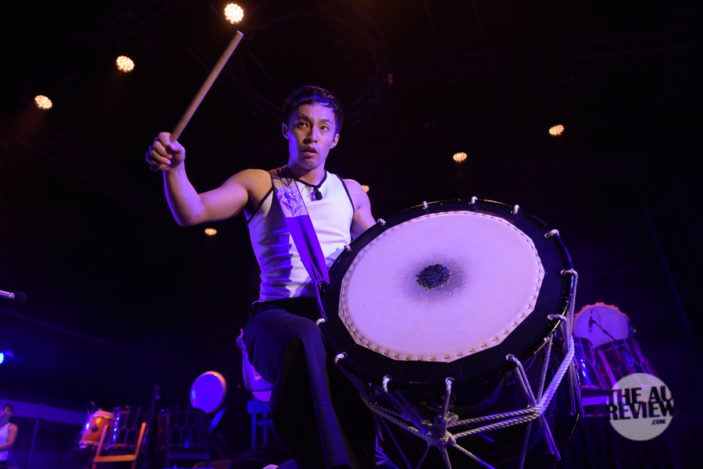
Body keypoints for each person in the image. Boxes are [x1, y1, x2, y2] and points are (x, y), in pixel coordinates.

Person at [147, 86, 376, 469]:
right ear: (286, 130)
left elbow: (376, 251)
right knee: (305, 337)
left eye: (323, 128)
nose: (312, 135)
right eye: (302, 124)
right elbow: (192, 211)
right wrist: (175, 170)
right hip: (276, 320)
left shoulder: (351, 192)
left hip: (334, 321)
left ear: (335, 138)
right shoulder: (259, 183)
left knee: (358, 390)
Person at [0, 404, 18, 469]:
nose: (5, 412)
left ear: (11, 414)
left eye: (8, 410)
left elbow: (10, 444)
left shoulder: (12, 427)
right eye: (3, 410)